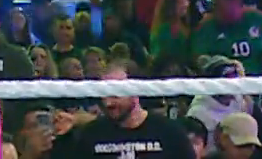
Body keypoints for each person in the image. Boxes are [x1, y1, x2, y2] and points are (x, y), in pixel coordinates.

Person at [51, 61, 194, 159]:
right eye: (104, 94)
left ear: (135, 90)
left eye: (115, 94)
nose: (108, 103)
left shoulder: (169, 133)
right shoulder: (91, 135)